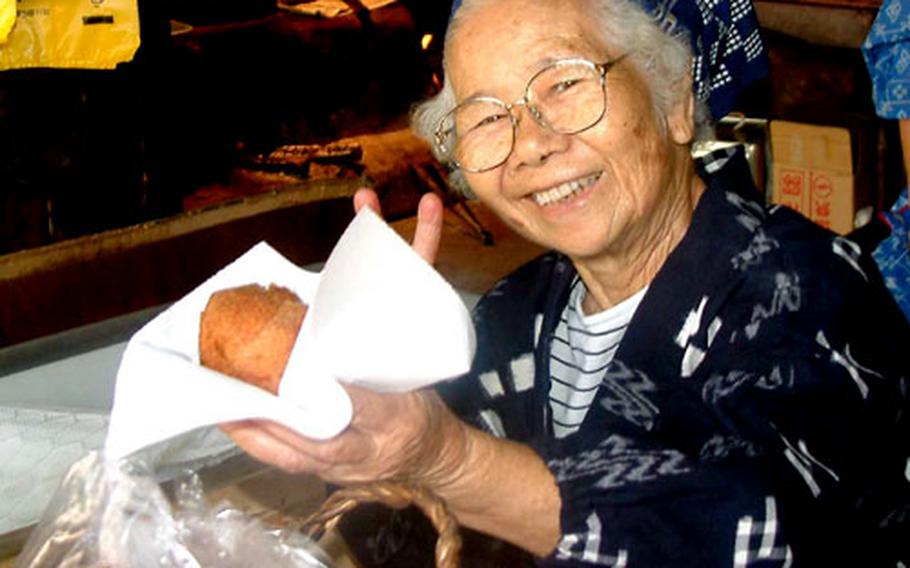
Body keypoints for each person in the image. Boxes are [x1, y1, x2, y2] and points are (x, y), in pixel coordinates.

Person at [222, 0, 910, 565]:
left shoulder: (810, 291)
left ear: (674, 101)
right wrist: (367, 402)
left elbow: (756, 529)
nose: (530, 144)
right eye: (488, 116)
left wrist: (448, 458)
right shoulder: (511, 315)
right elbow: (406, 526)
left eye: (565, 83)